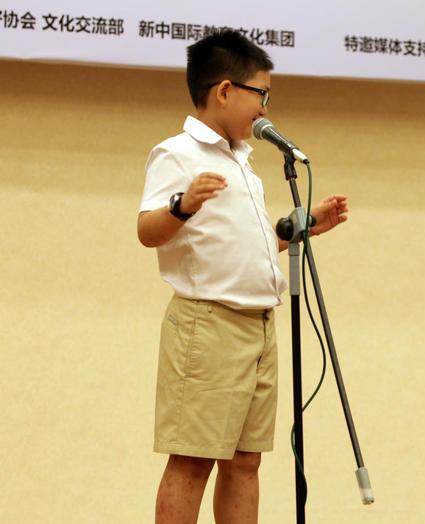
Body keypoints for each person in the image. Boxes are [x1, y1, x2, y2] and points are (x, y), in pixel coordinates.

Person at [137, 29, 348, 524]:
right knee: (192, 461)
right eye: (262, 95)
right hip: (207, 326)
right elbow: (148, 231)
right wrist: (181, 205)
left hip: (258, 326)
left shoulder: (245, 164)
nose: (266, 109)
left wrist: (301, 227)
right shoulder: (177, 154)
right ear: (226, 90)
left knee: (246, 461)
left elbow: (247, 245)